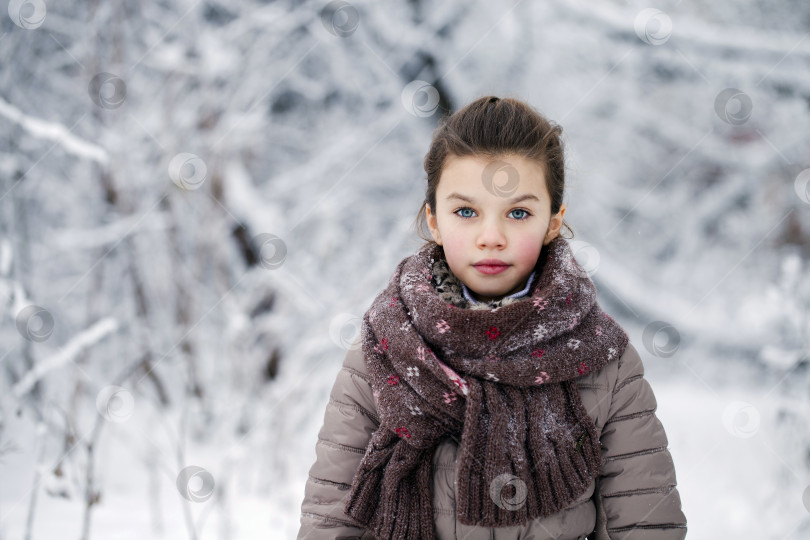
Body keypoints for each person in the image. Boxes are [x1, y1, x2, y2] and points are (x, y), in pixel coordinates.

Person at [296, 96, 687, 539]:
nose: (491, 237)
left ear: (553, 222)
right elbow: (332, 520)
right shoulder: (385, 349)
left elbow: (646, 523)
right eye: (466, 212)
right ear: (435, 221)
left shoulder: (602, 360)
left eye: (518, 213)